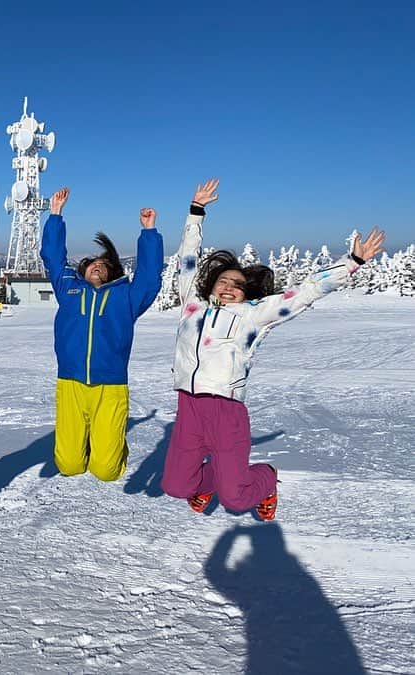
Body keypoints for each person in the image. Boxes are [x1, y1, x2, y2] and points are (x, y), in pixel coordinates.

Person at [160, 179, 385, 519]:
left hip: (226, 412)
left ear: (247, 292)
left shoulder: (253, 315)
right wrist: (196, 212)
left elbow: (305, 293)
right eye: (223, 281)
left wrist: (352, 262)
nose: (229, 288)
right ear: (211, 285)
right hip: (189, 407)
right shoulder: (192, 304)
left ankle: (266, 479)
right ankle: (209, 482)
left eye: (238, 285)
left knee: (236, 500)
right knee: (176, 486)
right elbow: (188, 259)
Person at [39, 187, 164, 481]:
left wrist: (149, 232)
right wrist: (55, 214)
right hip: (70, 384)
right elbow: (53, 258)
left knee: (107, 471)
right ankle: (92, 443)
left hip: (111, 387)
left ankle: (111, 444)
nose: (97, 265)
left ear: (114, 272)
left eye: (104, 265)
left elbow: (148, 276)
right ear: (83, 271)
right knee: (68, 466)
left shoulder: (127, 297)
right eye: (92, 263)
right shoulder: (68, 289)